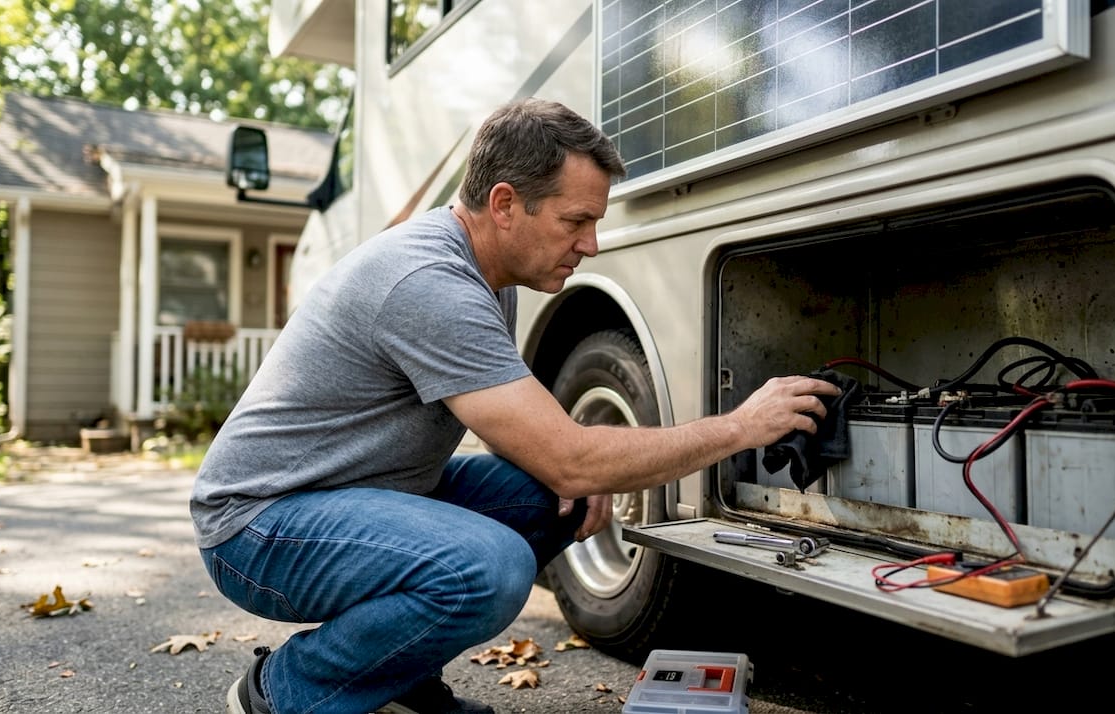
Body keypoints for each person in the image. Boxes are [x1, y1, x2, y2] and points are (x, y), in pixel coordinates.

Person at [191, 97, 839, 714]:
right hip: (259, 526)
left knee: (544, 496)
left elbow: (525, 431)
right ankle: (285, 692)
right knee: (490, 569)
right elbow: (571, 457)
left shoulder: (484, 277)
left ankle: (396, 684)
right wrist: (740, 427)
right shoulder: (430, 284)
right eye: (576, 221)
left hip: (355, 494)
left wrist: (570, 471)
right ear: (505, 205)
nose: (591, 245)